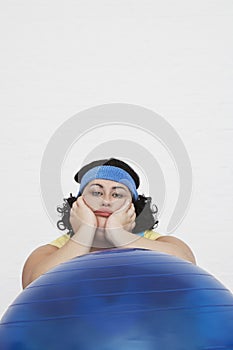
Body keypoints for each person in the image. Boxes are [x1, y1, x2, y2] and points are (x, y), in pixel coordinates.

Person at [22, 158, 196, 289]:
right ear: (79, 203)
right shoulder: (52, 251)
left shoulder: (162, 244)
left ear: (133, 206)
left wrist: (120, 236)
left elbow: (191, 275)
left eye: (117, 194)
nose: (106, 201)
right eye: (96, 192)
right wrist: (84, 234)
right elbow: (33, 289)